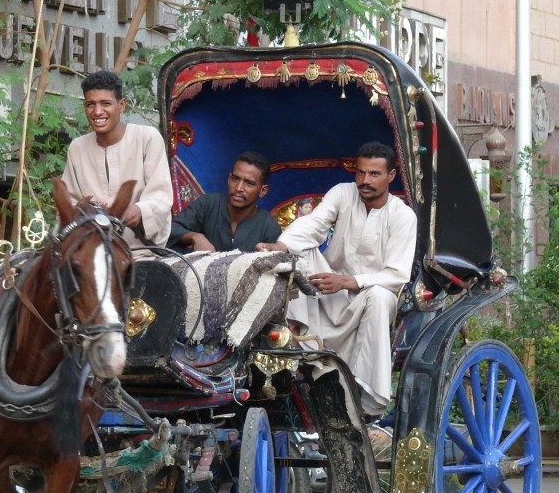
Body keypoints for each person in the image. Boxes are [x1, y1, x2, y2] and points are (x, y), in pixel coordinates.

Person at [256, 141, 418, 418]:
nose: (365, 181)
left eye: (374, 174)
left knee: (379, 296)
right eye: (361, 173)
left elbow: (397, 274)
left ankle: (363, 397)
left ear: (391, 176)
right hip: (330, 294)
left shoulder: (403, 216)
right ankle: (296, 344)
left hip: (372, 295)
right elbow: (314, 225)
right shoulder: (343, 194)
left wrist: (347, 281)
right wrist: (281, 247)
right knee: (299, 252)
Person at [61, 69, 173, 258]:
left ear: (121, 105)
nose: (97, 111)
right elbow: (67, 203)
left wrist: (138, 211)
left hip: (141, 255)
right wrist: (80, 209)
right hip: (92, 259)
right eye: (91, 104)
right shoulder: (77, 148)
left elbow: (161, 196)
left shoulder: (147, 138)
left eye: (105, 103)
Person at [167, 151, 282, 253]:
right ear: (229, 179)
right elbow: (170, 228)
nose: (239, 188)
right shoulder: (208, 203)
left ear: (263, 191)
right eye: (235, 179)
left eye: (249, 183)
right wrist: (195, 237)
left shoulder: (269, 227)